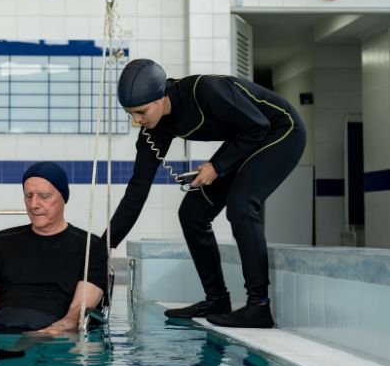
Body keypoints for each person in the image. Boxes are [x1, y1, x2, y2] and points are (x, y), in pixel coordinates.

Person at [107, 59, 306, 328]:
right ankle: (217, 299)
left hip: (282, 131)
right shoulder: (154, 131)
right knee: (192, 213)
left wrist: (218, 166)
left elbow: (258, 125)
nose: (136, 121)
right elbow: (137, 190)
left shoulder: (205, 90)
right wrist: (104, 245)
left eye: (140, 112)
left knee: (241, 205)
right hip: (247, 140)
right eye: (130, 114)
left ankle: (259, 305)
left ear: (161, 96)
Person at [0, 161, 107, 336]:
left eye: (44, 196)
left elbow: (79, 310)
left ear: (63, 197)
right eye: (28, 195)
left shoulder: (91, 246)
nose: (33, 204)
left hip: (51, 339)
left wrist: (54, 330)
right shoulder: (0, 242)